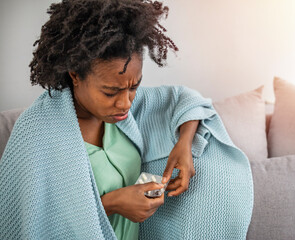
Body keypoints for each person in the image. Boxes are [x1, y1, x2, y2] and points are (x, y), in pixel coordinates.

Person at [0, 0, 253, 239]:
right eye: (110, 92)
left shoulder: (129, 111)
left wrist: (184, 144)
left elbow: (187, 100)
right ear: (75, 75)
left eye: (134, 87)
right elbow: (34, 226)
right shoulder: (37, 132)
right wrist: (112, 204)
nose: (125, 103)